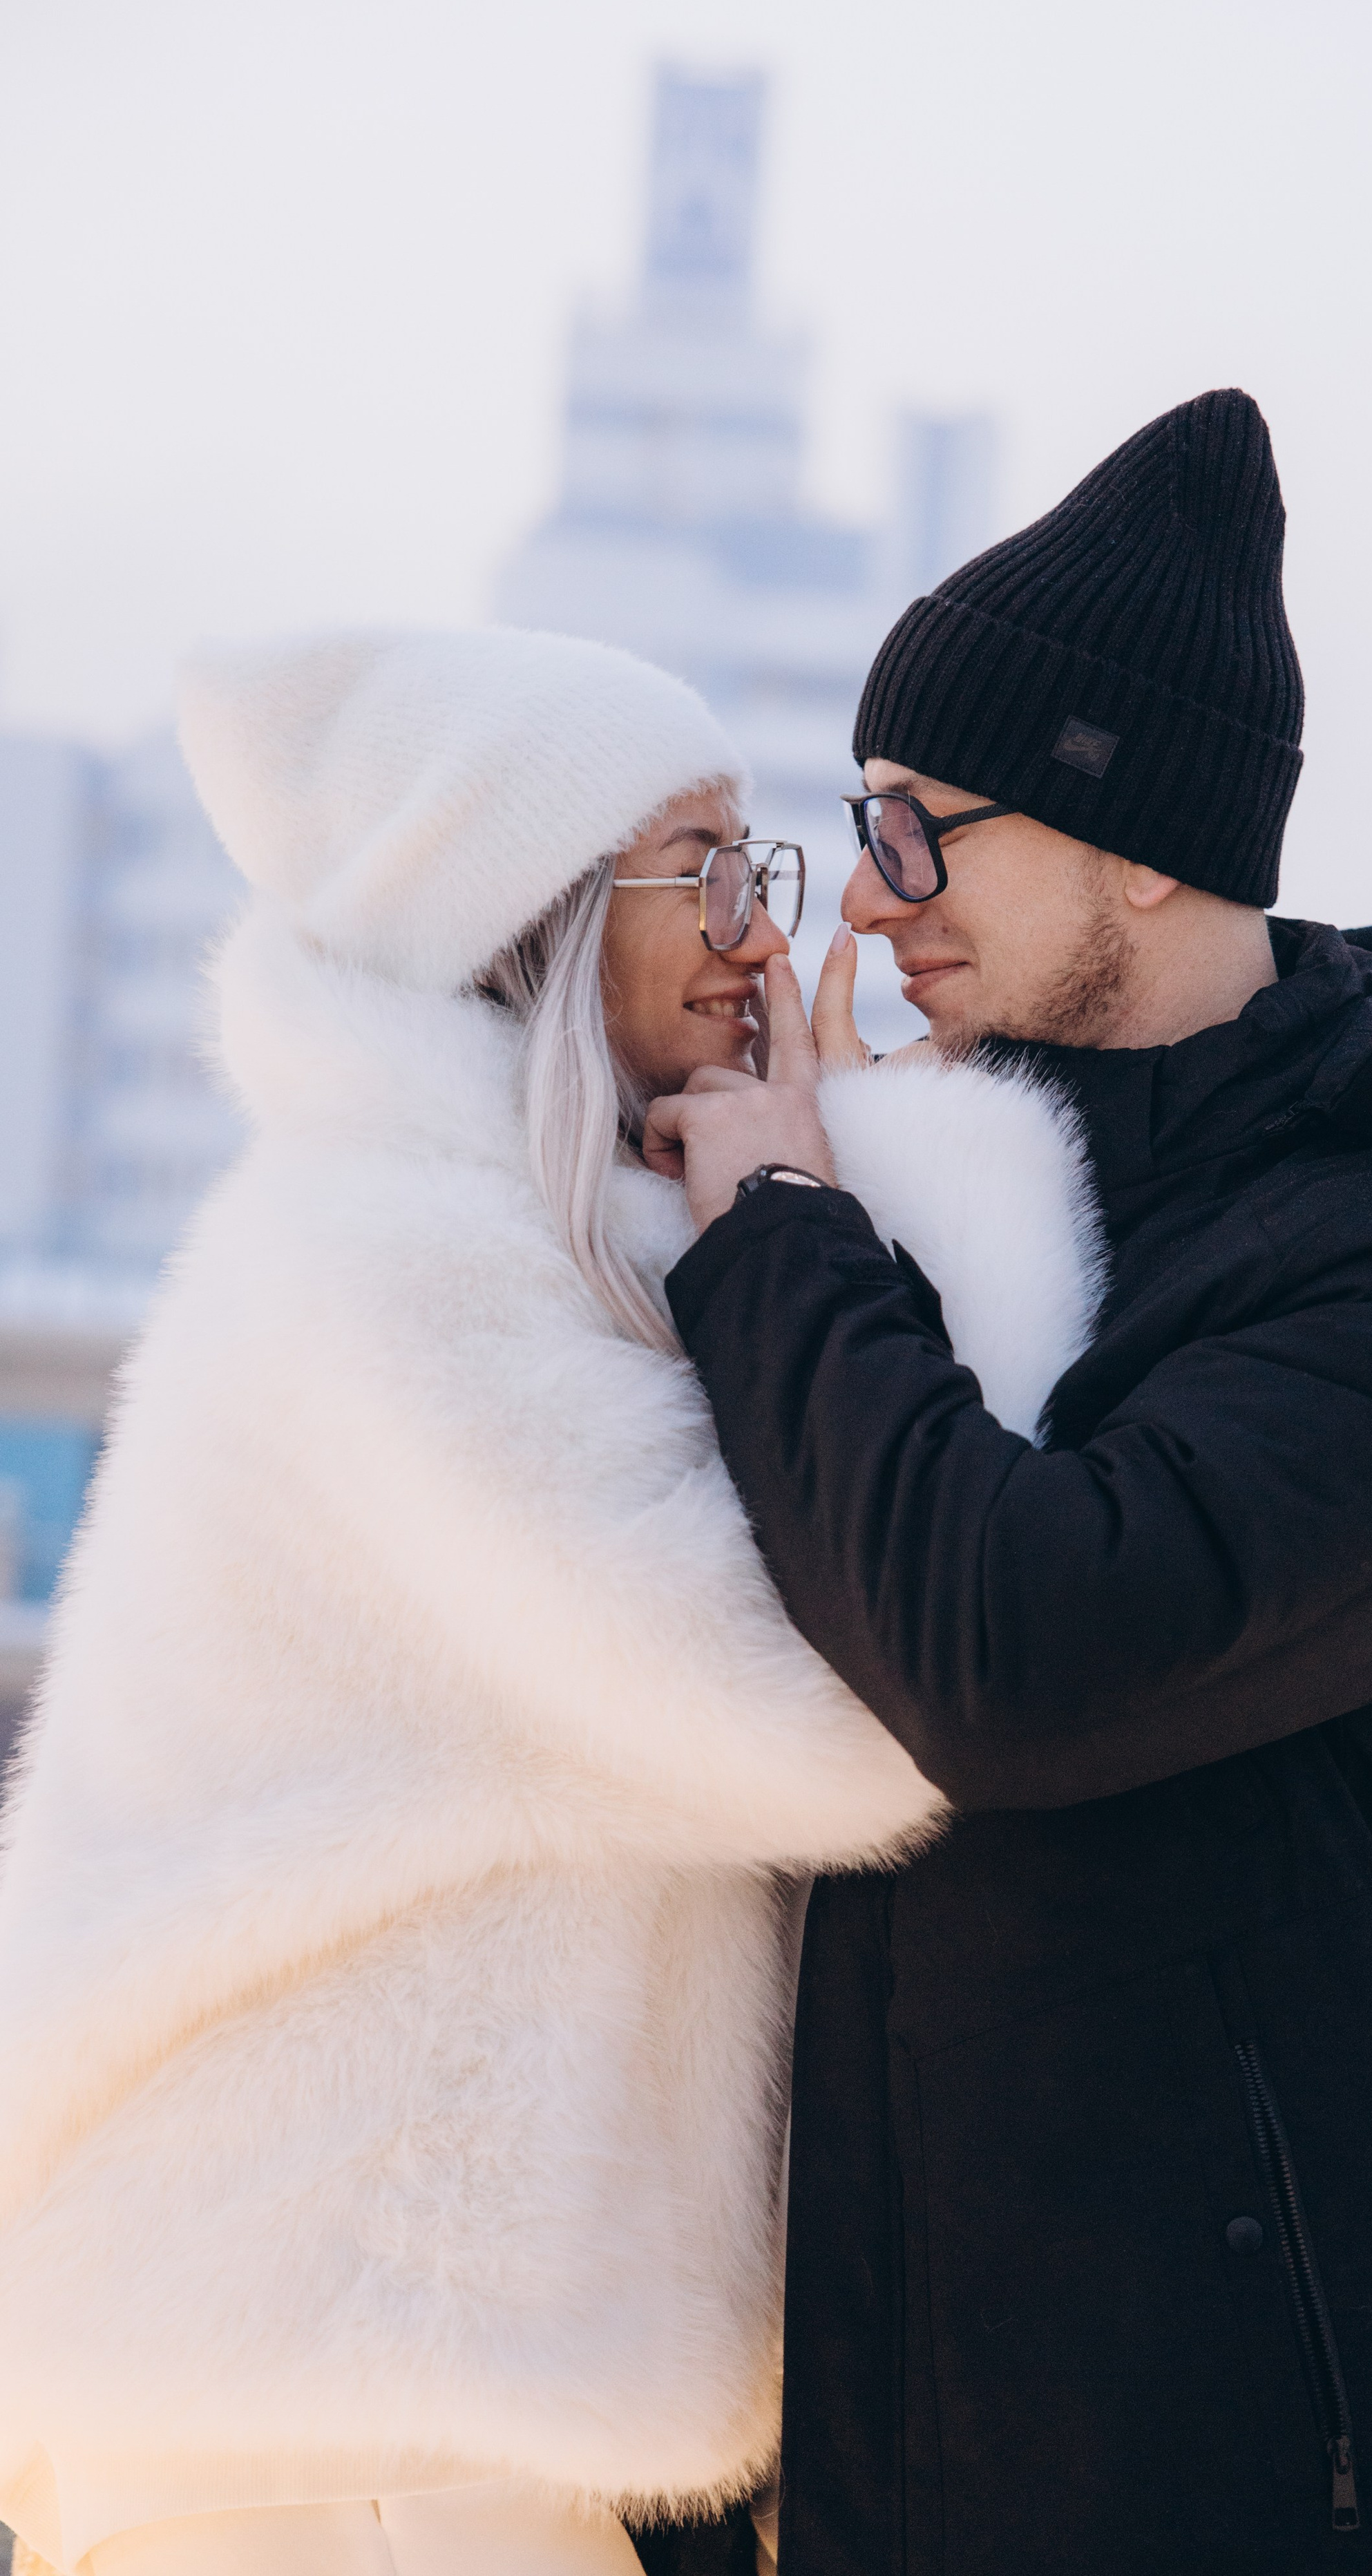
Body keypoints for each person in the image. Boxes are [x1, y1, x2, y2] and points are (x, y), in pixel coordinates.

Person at [0, 627, 1107, 2576]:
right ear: (532, 911)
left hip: (364, 2377)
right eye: (702, 864)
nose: (760, 933)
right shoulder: (389, 1265)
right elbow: (850, 1703)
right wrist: (872, 1169)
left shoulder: (511, 1245)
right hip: (318, 2374)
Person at [645, 390, 1372, 2575]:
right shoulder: (973, 1200)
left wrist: (790, 1228)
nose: (872, 908)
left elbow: (1017, 1654)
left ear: (1144, 838)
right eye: (855, 831)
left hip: (1292, 2487)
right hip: (920, 2473)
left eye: (924, 831)